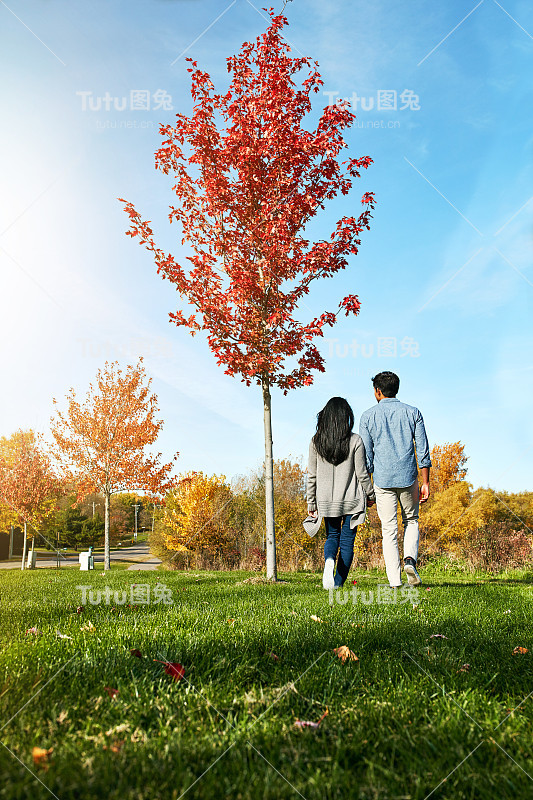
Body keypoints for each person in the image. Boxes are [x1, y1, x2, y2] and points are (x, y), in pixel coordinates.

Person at [359, 371, 431, 589]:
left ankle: (395, 581)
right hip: (408, 477)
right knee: (411, 520)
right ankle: (410, 559)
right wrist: (425, 481)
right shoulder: (413, 413)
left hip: (382, 480)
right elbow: (423, 450)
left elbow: (366, 456)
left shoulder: (367, 416)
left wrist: (367, 487)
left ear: (378, 391)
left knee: (388, 529)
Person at [307, 397, 376, 589]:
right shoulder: (355, 440)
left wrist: (311, 503)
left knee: (332, 537)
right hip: (352, 501)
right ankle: (337, 584)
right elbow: (362, 473)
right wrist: (371, 495)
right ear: (346, 417)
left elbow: (311, 475)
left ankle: (329, 560)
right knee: (347, 543)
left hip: (327, 502)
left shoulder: (316, 442)